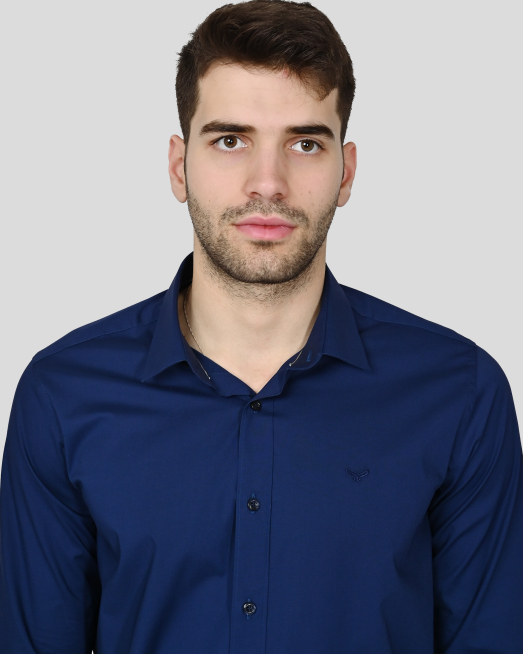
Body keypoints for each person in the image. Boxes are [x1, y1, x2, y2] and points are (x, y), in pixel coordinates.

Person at [1, 0, 522, 652]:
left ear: (346, 172)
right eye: (230, 140)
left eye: (305, 144)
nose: (268, 183)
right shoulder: (63, 396)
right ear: (178, 166)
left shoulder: (460, 394)